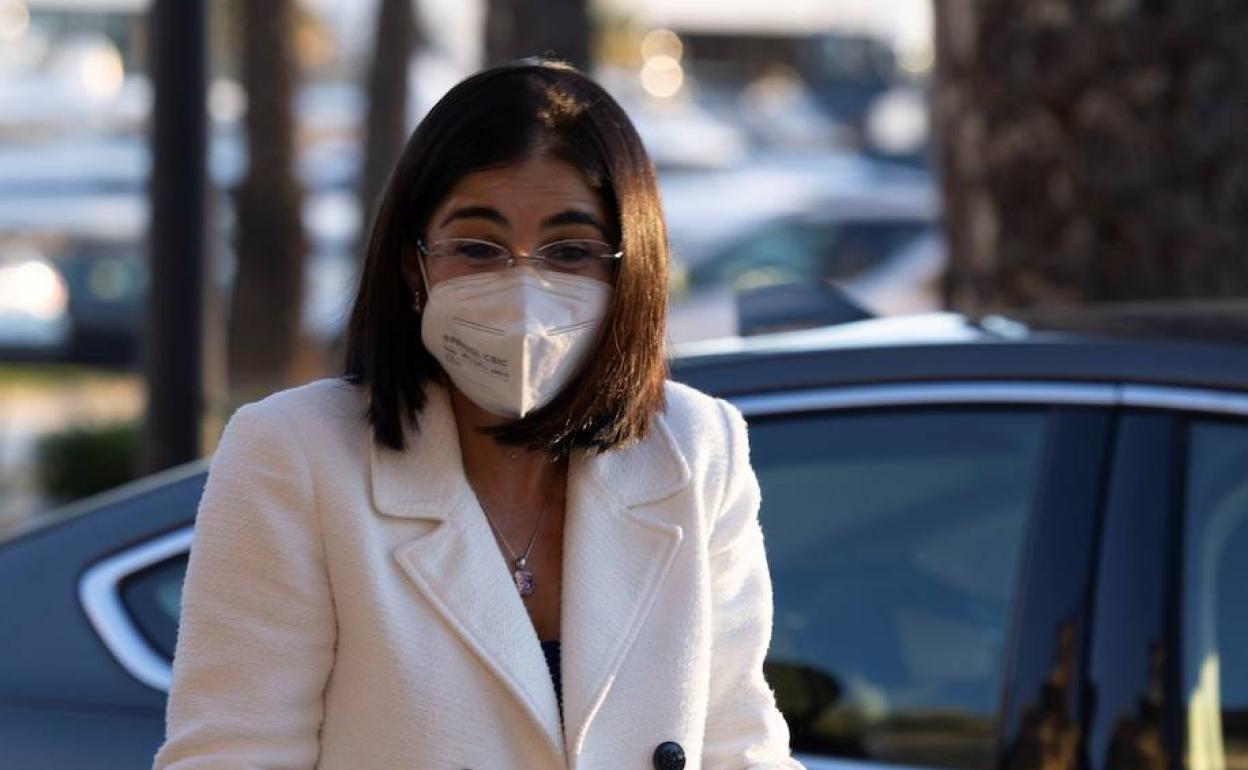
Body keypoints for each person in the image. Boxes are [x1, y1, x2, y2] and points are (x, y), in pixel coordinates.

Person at [152, 58, 804, 770]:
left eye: (570, 251)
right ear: (414, 267)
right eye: (477, 248)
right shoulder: (297, 455)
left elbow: (740, 745)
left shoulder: (695, 450)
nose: (523, 291)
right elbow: (231, 756)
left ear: (628, 269)